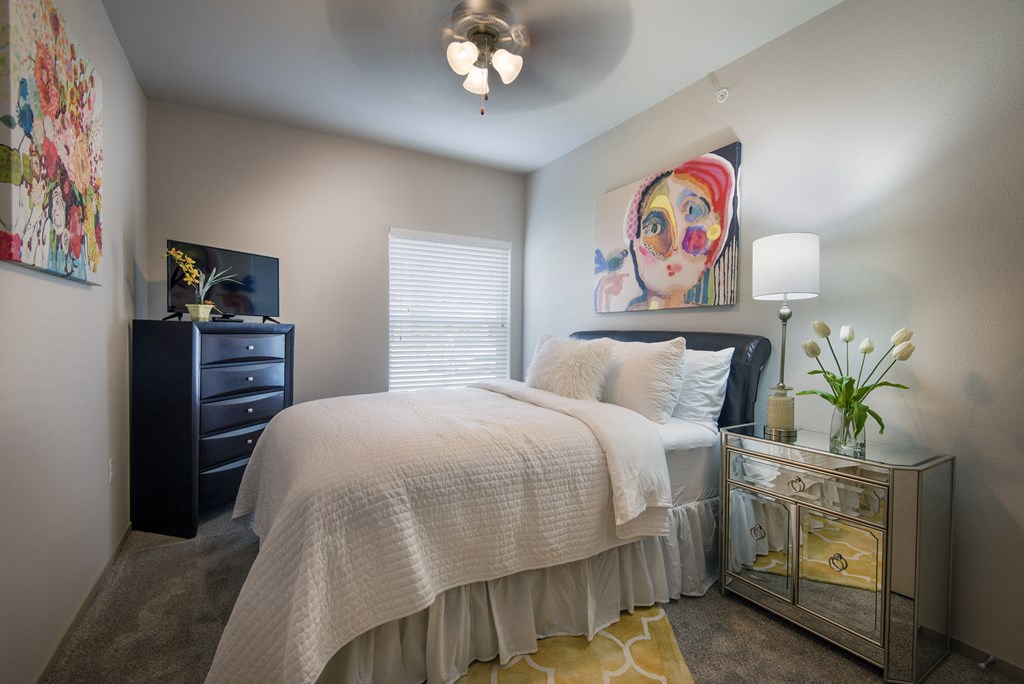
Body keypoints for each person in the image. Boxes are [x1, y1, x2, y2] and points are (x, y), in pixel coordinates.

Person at [597, 152, 736, 311]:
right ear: (635, 244)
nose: (674, 246)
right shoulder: (631, 309)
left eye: (692, 211)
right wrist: (604, 294)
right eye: (654, 227)